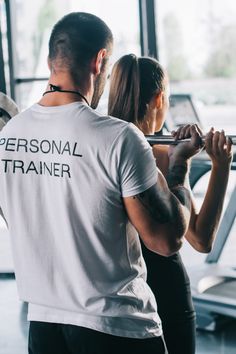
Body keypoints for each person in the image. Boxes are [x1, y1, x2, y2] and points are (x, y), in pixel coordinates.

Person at [0, 13, 200, 354]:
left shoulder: (8, 137)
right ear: (100, 61)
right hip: (117, 327)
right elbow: (166, 240)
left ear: (51, 60)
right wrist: (179, 165)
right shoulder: (118, 137)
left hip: (44, 329)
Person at [108, 54, 232, 354]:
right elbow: (201, 240)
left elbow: (199, 238)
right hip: (165, 292)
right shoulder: (164, 155)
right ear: (159, 98)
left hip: (113, 298)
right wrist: (221, 164)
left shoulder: (103, 148)